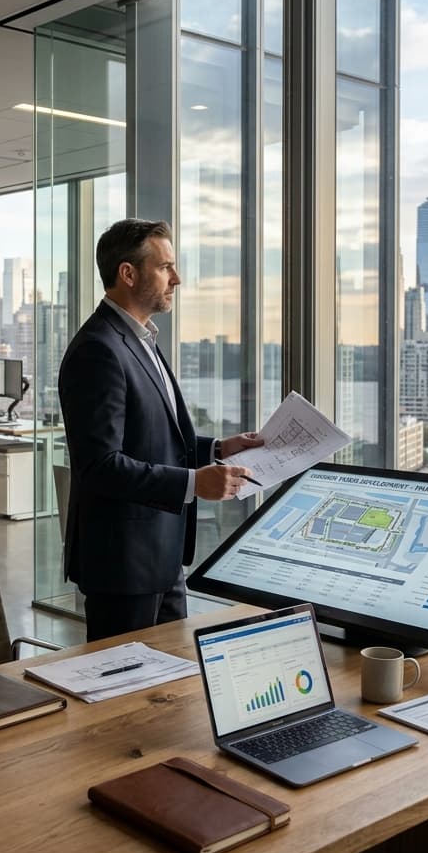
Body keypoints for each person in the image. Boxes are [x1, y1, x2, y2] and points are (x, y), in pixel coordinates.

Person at [59, 219, 263, 641]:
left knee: (173, 674)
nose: (177, 278)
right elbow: (99, 465)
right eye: (165, 267)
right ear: (128, 273)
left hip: (162, 556)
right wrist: (194, 483)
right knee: (126, 680)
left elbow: (151, 439)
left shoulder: (139, 339)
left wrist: (217, 449)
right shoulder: (98, 349)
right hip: (123, 565)